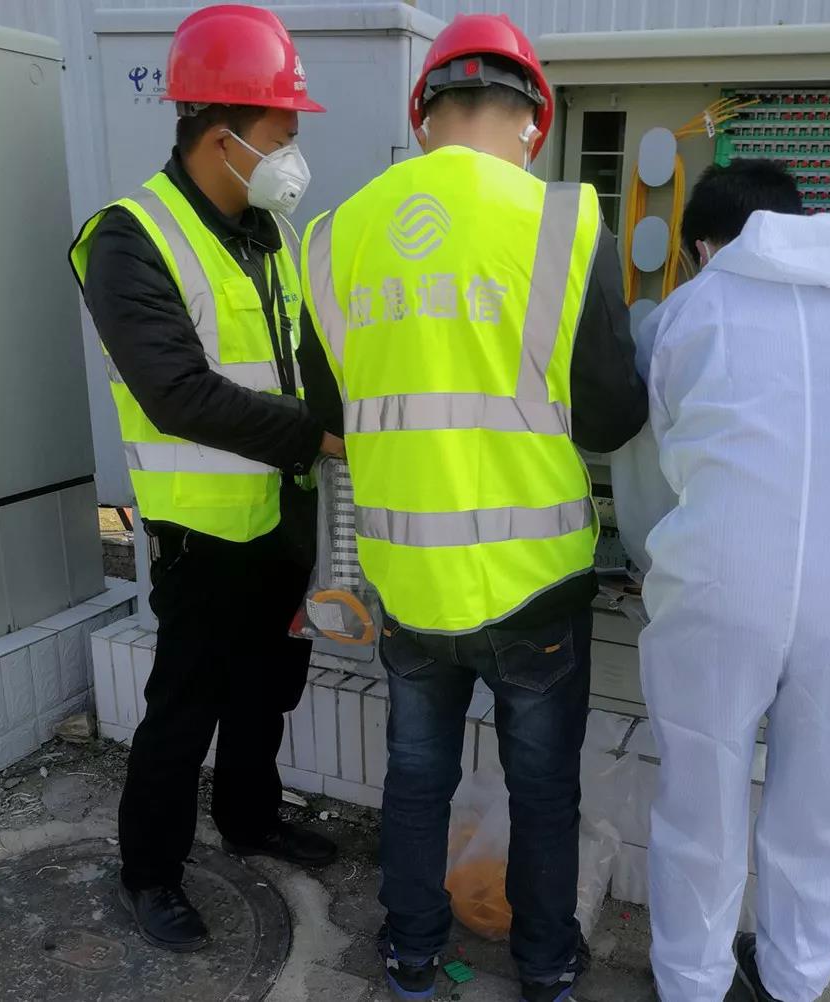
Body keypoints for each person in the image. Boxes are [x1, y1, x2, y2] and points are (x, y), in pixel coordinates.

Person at [297, 13, 647, 1000]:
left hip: (409, 582)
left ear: (424, 118)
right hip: (534, 586)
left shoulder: (332, 236)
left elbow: (329, 414)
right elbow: (611, 416)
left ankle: (410, 955)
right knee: (542, 791)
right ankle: (545, 968)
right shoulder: (566, 221)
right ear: (533, 121)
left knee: (416, 780)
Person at [614, 159, 830, 1002]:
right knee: (817, 803)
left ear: (702, 247)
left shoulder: (690, 311)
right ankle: (794, 978)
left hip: (718, 588)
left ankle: (693, 983)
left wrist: (658, 562)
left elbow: (651, 468)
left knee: (701, 802)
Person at [69, 5, 342, 953]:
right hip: (201, 533)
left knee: (267, 688)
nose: (291, 153)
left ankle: (251, 818)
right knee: (183, 709)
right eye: (282, 132)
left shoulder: (271, 232)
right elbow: (177, 392)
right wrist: (318, 438)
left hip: (282, 518)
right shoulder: (130, 237)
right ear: (220, 134)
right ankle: (150, 872)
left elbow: (307, 356)